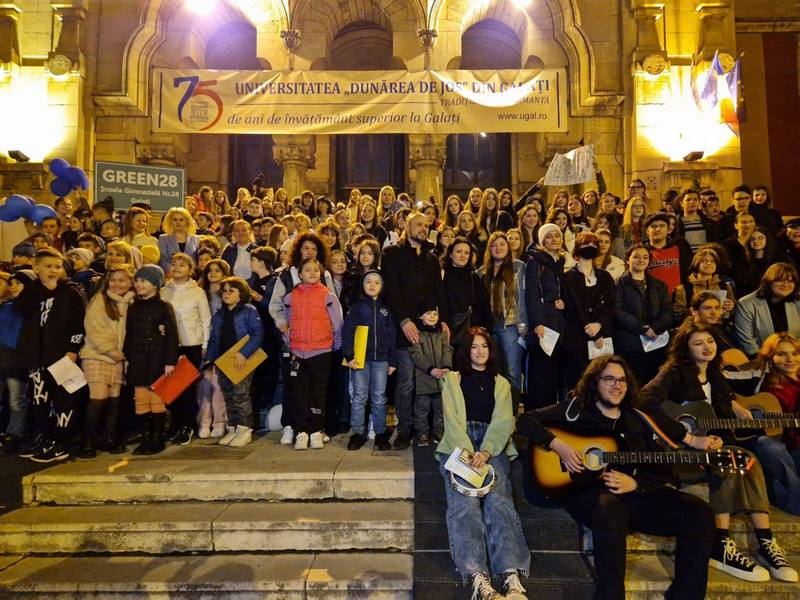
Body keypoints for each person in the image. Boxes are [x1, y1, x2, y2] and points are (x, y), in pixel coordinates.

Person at [517, 355, 717, 600]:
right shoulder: (576, 410)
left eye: (622, 380)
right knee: (609, 509)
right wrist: (559, 446)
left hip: (634, 497)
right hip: (589, 495)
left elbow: (662, 470)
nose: (617, 385)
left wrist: (636, 483)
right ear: (594, 382)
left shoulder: (638, 419)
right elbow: (525, 420)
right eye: (609, 379)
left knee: (700, 512)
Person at [642, 321, 798, 582]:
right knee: (728, 460)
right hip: (681, 449)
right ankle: (721, 545)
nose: (707, 347)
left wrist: (734, 405)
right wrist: (688, 437)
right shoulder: (674, 371)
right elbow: (644, 400)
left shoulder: (715, 373)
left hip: (716, 443)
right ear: (685, 348)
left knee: (750, 460)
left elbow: (723, 402)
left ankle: (766, 542)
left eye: (710, 341)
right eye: (698, 343)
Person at [435, 328, 530, 600]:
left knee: (498, 501)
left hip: (492, 444)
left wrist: (486, 452)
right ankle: (478, 578)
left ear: (491, 350)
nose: (480, 351)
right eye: (474, 347)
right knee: (465, 504)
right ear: (466, 351)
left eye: (484, 346)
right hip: (458, 444)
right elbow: (451, 420)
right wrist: (467, 453)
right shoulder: (452, 380)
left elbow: (502, 421)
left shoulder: (502, 384)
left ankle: (510, 574)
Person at [382, 212, 449, 450]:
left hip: (429, 332)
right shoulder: (392, 254)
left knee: (428, 382)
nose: (423, 228)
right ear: (405, 226)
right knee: (407, 382)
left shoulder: (431, 259)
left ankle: (428, 428)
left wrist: (444, 321)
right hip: (405, 330)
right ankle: (404, 430)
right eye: (418, 224)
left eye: (426, 225)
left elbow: (438, 293)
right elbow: (391, 290)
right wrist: (404, 320)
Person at [14, 249, 86, 463]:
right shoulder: (31, 291)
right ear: (36, 269)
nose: (54, 270)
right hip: (37, 359)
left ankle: (62, 442)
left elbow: (79, 323)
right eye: (48, 266)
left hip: (61, 357)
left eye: (57, 266)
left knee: (65, 400)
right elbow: (20, 310)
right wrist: (39, 289)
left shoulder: (71, 292)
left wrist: (72, 351)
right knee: (39, 401)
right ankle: (46, 437)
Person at [283, 258, 343, 450]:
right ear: (299, 274)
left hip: (321, 351)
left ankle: (316, 430)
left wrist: (336, 346)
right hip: (298, 352)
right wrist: (289, 344)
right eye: (307, 270)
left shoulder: (328, 296)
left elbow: (338, 323)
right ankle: (302, 431)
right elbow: (286, 323)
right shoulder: (291, 297)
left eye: (316, 270)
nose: (312, 273)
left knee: (318, 392)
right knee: (300, 393)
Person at [77, 264, 135, 457]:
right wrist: (110, 350)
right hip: (97, 355)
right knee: (99, 396)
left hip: (119, 358)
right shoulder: (100, 300)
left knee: (114, 397)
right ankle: (88, 440)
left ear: (130, 282)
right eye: (114, 280)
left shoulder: (130, 302)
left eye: (122, 280)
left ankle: (110, 438)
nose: (118, 284)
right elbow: (95, 328)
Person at [123, 265, 179, 456]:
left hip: (157, 358)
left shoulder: (164, 307)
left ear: (155, 284)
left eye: (143, 281)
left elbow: (172, 335)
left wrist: (170, 361)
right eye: (137, 281)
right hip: (138, 358)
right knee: (140, 399)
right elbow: (128, 335)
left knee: (156, 399)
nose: (139, 285)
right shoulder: (133, 308)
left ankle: (157, 438)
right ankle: (145, 437)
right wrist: (127, 357)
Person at [203, 277, 264, 447]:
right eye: (224, 291)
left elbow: (257, 334)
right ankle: (233, 428)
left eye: (232, 291)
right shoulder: (219, 314)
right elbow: (214, 339)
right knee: (228, 394)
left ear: (241, 293)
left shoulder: (249, 310)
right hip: (223, 360)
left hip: (241, 360)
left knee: (240, 394)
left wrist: (244, 353)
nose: (227, 294)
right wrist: (210, 358)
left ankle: (245, 429)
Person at [160, 253, 211, 445]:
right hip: (170, 345)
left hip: (192, 343)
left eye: (182, 265)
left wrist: (205, 344)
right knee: (171, 387)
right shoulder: (164, 291)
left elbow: (205, 320)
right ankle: (174, 423)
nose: (177, 268)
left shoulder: (197, 292)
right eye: (174, 264)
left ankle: (187, 425)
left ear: (190, 270)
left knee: (187, 387)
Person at [342, 271, 396, 452]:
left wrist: (392, 360)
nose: (372, 285)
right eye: (368, 282)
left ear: (382, 286)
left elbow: (392, 335)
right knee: (359, 397)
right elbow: (347, 332)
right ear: (362, 285)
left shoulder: (386, 310)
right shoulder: (357, 307)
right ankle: (357, 433)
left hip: (381, 360)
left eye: (377, 282)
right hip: (360, 360)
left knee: (379, 398)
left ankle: (380, 434)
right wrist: (349, 355)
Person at [562, 232, 616, 391]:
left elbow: (612, 305)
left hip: (602, 336)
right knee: (577, 383)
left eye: (594, 245)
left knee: (600, 382)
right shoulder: (568, 277)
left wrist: (599, 326)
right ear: (577, 249)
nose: (590, 248)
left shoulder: (605, 276)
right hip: (576, 337)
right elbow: (573, 306)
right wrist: (591, 330)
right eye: (586, 244)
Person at [477, 232, 527, 398]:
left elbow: (522, 297)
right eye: (494, 245)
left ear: (508, 247)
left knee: (512, 371)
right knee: (493, 371)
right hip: (489, 328)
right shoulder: (481, 272)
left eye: (502, 244)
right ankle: (498, 412)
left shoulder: (518, 267)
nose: (498, 248)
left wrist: (523, 325)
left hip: (511, 326)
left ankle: (512, 414)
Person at [613, 245, 671, 385]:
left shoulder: (660, 285)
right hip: (630, 344)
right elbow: (617, 311)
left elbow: (667, 311)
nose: (641, 260)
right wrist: (641, 328)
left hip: (656, 343)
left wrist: (654, 327)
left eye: (645, 257)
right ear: (628, 260)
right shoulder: (617, 284)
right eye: (636, 257)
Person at [525, 223, 568, 408]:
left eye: (557, 235)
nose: (554, 239)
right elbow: (532, 294)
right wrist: (538, 323)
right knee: (540, 378)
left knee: (553, 377)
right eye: (549, 237)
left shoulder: (560, 263)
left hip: (558, 325)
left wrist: (562, 302)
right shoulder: (536, 262)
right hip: (544, 325)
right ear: (542, 241)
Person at [734, 262, 800, 357]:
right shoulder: (746, 304)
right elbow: (747, 342)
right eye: (780, 280)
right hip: (761, 359)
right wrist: (764, 360)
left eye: (790, 281)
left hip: (794, 358)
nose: (786, 284)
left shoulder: (797, 302)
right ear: (769, 282)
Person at [410, 301, 452, 447]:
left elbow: (447, 349)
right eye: (428, 313)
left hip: (440, 378)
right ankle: (422, 433)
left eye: (435, 313)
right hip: (424, 379)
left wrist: (446, 366)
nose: (432, 316)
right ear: (421, 317)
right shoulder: (417, 334)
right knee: (422, 409)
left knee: (440, 409)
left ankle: (438, 432)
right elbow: (416, 355)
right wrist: (430, 369)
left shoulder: (441, 333)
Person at [442, 237, 492, 356]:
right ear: (450, 254)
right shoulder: (442, 276)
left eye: (466, 252)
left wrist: (488, 330)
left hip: (472, 331)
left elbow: (484, 306)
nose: (463, 255)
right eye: (459, 251)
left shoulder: (474, 277)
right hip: (448, 331)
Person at [672, 246, 736, 325]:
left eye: (713, 261)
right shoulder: (683, 288)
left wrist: (731, 307)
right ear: (696, 263)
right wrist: (699, 314)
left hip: (719, 329)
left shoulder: (725, 286)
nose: (709, 263)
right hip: (694, 329)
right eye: (704, 261)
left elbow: (731, 314)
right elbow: (678, 313)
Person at [0, 271, 28, 452]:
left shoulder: (23, 308)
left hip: (15, 360)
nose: (13, 286)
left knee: (16, 400)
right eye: (11, 283)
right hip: (3, 358)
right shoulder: (5, 307)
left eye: (18, 283)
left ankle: (14, 433)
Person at [643, 212, 691, 295]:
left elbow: (687, 277)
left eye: (662, 226)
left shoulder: (680, 251)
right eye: (654, 226)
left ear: (668, 229)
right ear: (647, 230)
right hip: (650, 300)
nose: (658, 229)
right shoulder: (641, 252)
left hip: (676, 300)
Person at [158, 207, 200, 273]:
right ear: (171, 221)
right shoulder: (163, 238)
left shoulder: (196, 239)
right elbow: (163, 261)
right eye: (175, 219)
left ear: (187, 221)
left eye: (181, 220)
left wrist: (187, 272)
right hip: (171, 276)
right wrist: (177, 271)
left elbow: (197, 261)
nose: (178, 222)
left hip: (191, 276)